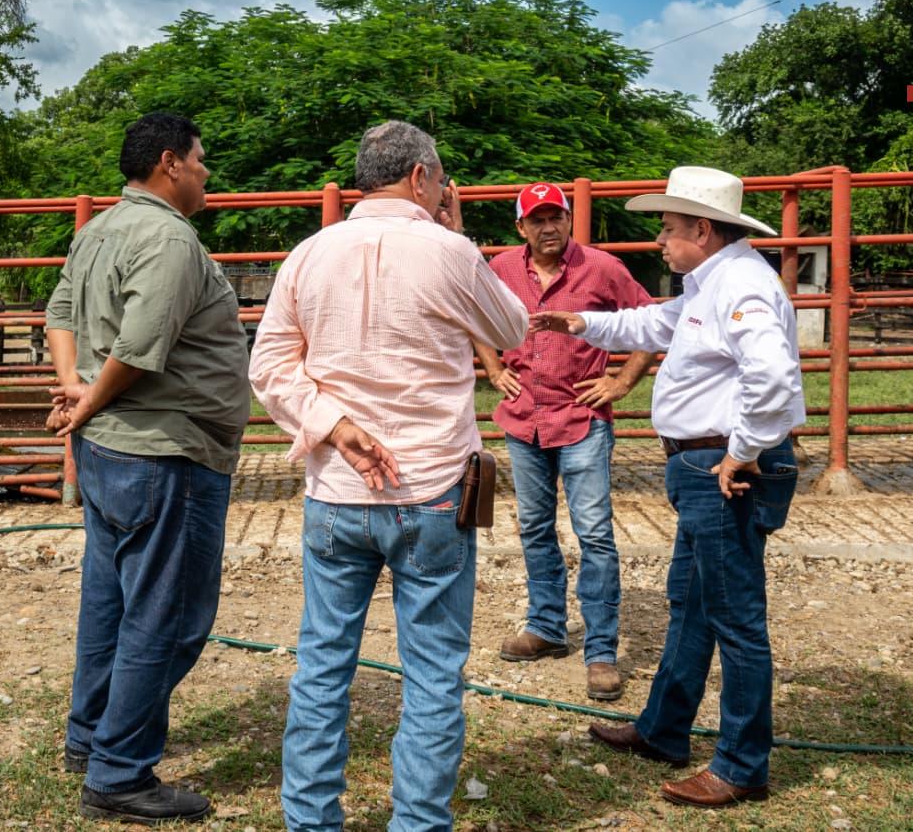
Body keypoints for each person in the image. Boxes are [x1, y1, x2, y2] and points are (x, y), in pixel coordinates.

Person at [248, 120, 528, 831]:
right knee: (432, 671)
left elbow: (269, 366)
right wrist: (460, 237)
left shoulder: (308, 253)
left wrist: (335, 425)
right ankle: (418, 821)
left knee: (322, 663)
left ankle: (311, 819)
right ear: (421, 178)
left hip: (336, 489)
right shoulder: (451, 251)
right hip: (432, 489)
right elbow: (513, 329)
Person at [532, 166, 805, 808]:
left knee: (735, 617)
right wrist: (581, 323)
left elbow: (773, 376)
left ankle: (741, 766)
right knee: (691, 602)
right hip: (706, 466)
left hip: (723, 469)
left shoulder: (740, 285)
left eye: (669, 228)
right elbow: (653, 325)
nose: (659, 239)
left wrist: (742, 451)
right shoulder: (712, 282)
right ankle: (664, 728)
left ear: (702, 230)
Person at [44, 111, 250, 825]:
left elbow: (60, 314)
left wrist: (76, 391)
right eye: (201, 158)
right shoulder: (168, 238)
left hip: (112, 450)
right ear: (170, 163)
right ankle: (120, 769)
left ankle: (89, 736)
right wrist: (86, 399)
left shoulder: (98, 230)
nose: (206, 171)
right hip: (164, 451)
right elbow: (140, 347)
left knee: (109, 600)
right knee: (169, 614)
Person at [472, 182, 655, 701]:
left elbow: (651, 321)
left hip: (582, 418)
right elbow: (476, 316)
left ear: (570, 220)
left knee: (593, 532)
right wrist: (493, 367)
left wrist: (621, 382)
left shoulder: (602, 268)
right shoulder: (501, 269)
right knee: (534, 526)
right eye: (538, 219)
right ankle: (547, 626)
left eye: (557, 217)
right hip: (524, 418)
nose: (548, 227)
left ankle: (601, 650)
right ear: (521, 227)